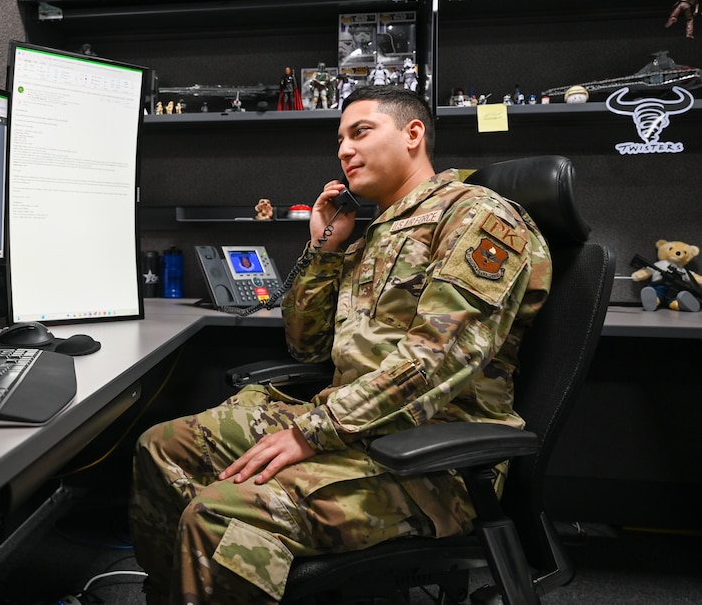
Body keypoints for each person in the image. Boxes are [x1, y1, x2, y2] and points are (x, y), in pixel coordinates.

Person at [129, 85, 552, 604]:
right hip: (350, 428)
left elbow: (436, 359)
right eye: (340, 139)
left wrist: (312, 432)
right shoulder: (378, 231)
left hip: (433, 458)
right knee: (163, 447)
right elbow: (306, 346)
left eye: (361, 132)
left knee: (221, 510)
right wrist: (325, 249)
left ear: (413, 134)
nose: (344, 150)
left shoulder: (477, 217)